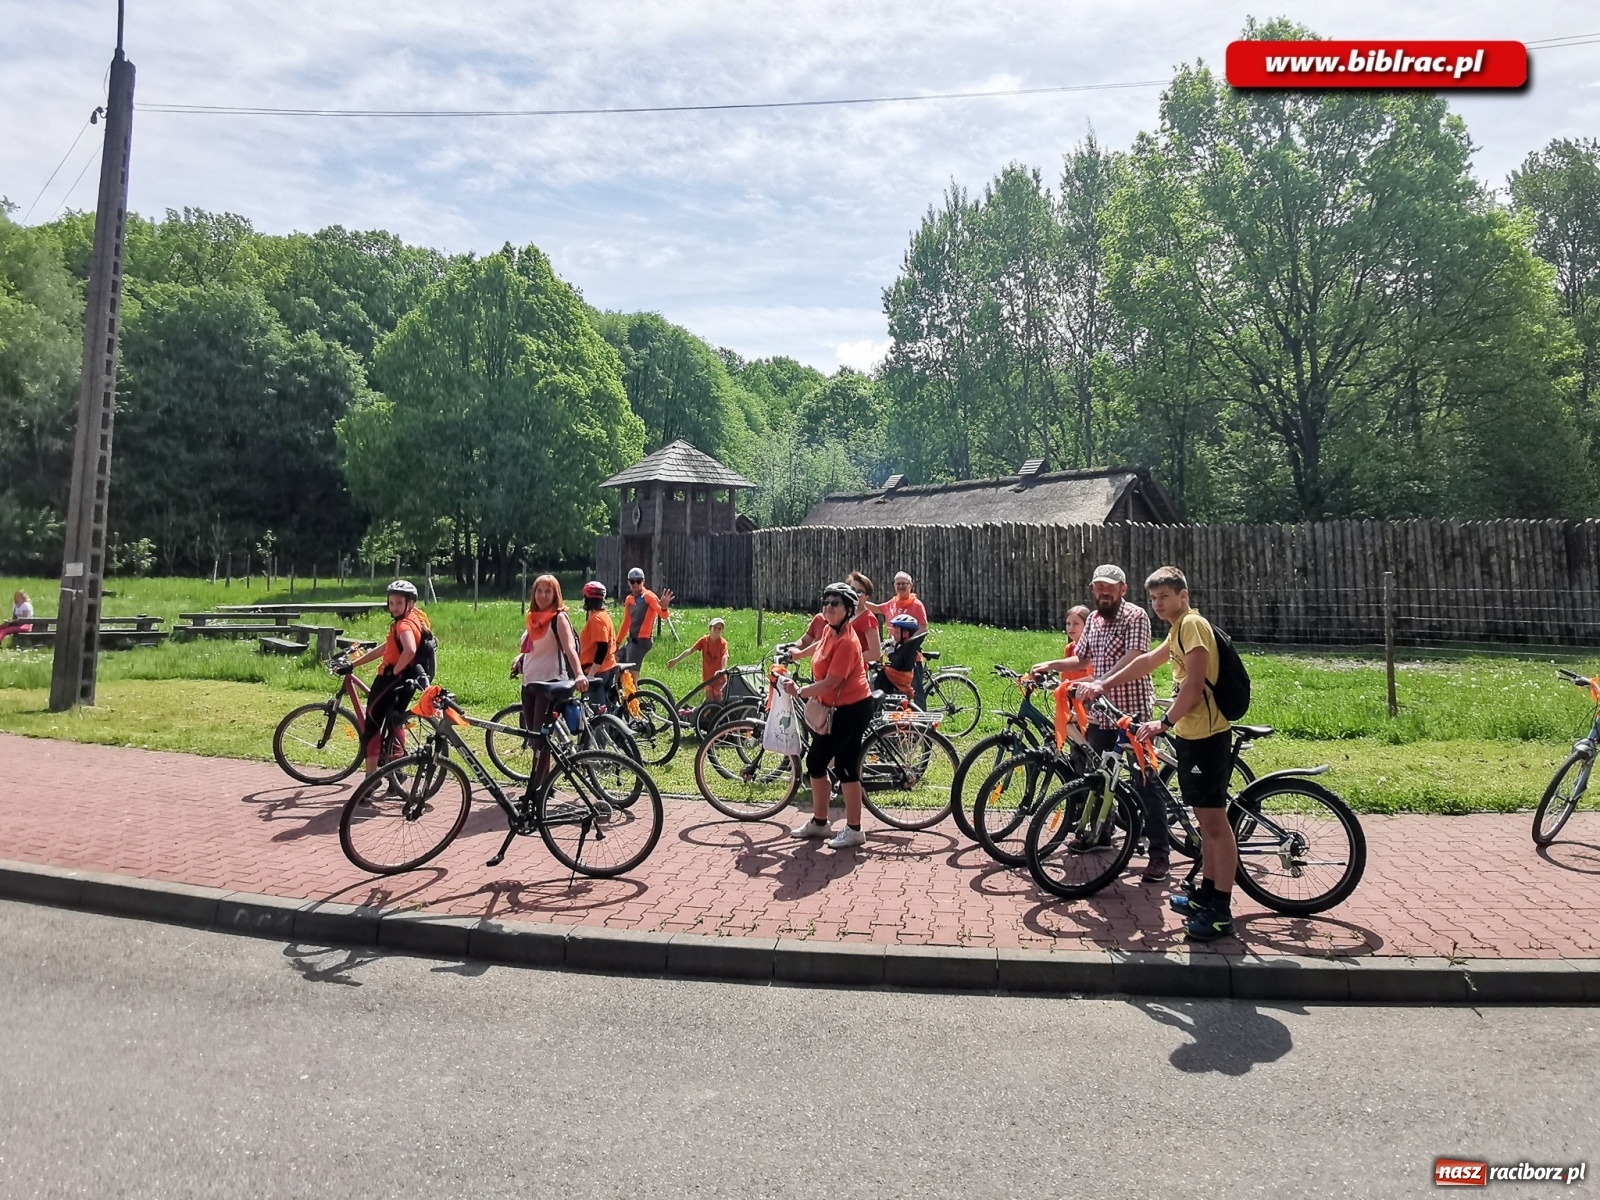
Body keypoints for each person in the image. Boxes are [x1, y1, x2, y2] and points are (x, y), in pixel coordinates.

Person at [1078, 566, 1236, 941]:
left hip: (1207, 735)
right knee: (1206, 824)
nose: (1158, 604)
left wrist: (1162, 722)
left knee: (1215, 826)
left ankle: (1221, 910)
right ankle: (1206, 896)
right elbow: (1147, 662)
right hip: (1192, 734)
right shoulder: (1177, 629)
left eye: (1164, 596)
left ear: (1183, 595)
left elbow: (1194, 685)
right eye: (1153, 598)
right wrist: (1103, 683)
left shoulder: (1192, 625)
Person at [1029, 565, 1169, 882]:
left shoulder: (1136, 617)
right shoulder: (1092, 619)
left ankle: (1160, 853)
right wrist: (1051, 664)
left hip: (1133, 713)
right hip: (1100, 714)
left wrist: (1101, 682)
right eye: (1099, 587)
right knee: (1098, 777)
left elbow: (1135, 656)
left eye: (1110, 587)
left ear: (1123, 589)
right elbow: (1082, 659)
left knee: (1145, 782)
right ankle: (1101, 834)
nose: (1104, 592)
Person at [787, 582, 876, 850]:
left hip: (852, 709)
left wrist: (799, 691)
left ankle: (855, 830)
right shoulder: (829, 629)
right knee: (815, 763)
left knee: (846, 768)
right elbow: (819, 646)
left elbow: (832, 682)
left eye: (835, 603)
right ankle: (820, 823)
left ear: (848, 610)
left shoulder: (848, 641)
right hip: (832, 709)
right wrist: (798, 653)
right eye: (826, 602)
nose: (828, 607)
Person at [342, 580, 432, 777]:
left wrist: (394, 671)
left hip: (392, 680)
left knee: (372, 724)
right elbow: (387, 647)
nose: (394, 607)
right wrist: (355, 664)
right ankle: (396, 771)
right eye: (391, 603)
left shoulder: (404, 625)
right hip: (407, 680)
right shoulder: (415, 618)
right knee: (394, 721)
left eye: (399, 603)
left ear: (410, 603)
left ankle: (371, 778)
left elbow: (410, 650)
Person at [513, 574, 589, 790]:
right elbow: (532, 648)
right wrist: (520, 658)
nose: (543, 595)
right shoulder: (533, 618)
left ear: (556, 595)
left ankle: (538, 788)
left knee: (540, 739)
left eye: (548, 591)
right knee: (534, 737)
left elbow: (570, 649)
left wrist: (579, 674)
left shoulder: (558, 618)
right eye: (539, 591)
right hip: (529, 684)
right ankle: (544, 785)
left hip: (550, 684)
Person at [621, 567, 674, 675]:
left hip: (642, 641)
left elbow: (663, 615)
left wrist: (664, 608)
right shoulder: (629, 599)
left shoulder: (649, 596)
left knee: (631, 674)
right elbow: (626, 622)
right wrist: (617, 643)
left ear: (643, 581)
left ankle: (633, 686)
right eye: (632, 581)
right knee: (616, 661)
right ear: (628, 583)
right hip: (632, 640)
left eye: (638, 581)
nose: (635, 584)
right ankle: (620, 685)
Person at [667, 616, 730, 701]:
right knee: (710, 700)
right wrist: (675, 660)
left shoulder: (723, 643)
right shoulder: (704, 640)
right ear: (710, 628)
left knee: (718, 701)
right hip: (708, 677)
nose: (717, 630)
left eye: (720, 628)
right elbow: (690, 650)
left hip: (719, 677)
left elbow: (725, 656)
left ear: (722, 630)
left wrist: (723, 669)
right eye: (715, 628)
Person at [578, 581, 617, 707]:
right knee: (609, 708)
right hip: (609, 667)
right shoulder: (604, 615)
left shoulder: (597, 619)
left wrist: (591, 675)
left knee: (596, 710)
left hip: (597, 671)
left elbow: (602, 648)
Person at [877, 613, 925, 697]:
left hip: (894, 681)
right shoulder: (906, 646)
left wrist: (889, 652)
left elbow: (897, 661)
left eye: (896, 632)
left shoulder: (907, 650)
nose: (893, 635)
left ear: (905, 634)